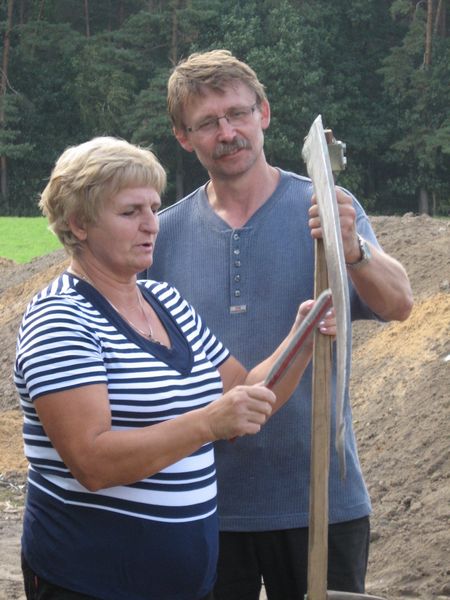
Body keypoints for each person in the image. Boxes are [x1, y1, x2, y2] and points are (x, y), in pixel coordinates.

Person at [14, 136, 336, 600]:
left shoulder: (166, 303)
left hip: (185, 585)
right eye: (130, 212)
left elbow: (244, 392)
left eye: (153, 207)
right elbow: (92, 462)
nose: (151, 224)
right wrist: (207, 423)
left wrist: (302, 339)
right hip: (91, 582)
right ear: (79, 224)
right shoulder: (61, 318)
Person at [147, 49, 414, 600]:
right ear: (183, 136)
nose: (228, 133)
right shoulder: (162, 236)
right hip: (203, 506)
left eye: (238, 113)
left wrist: (354, 251)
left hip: (320, 501)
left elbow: (399, 304)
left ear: (263, 113)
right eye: (207, 123)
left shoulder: (325, 208)